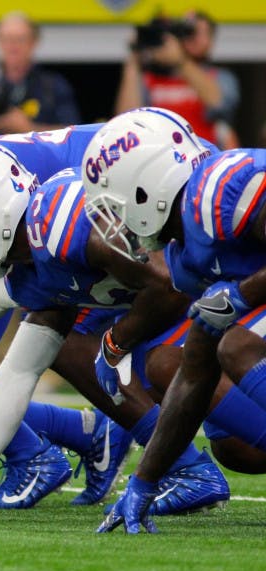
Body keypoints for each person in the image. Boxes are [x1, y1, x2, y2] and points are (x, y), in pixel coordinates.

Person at [0, 131, 228, 523]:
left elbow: (169, 286)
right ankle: (182, 470)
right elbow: (19, 369)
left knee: (162, 364)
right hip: (203, 313)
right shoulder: (29, 268)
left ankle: (181, 469)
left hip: (224, 298)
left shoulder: (64, 223)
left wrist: (116, 342)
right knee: (238, 450)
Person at [87, 114, 266, 532]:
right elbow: (194, 376)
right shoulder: (186, 257)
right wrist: (144, 482)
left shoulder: (220, 189)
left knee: (237, 346)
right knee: (235, 444)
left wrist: (243, 296)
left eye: (117, 205)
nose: (116, 223)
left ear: (148, 186)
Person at [114, 10, 239, 149]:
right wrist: (134, 61)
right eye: (191, 32)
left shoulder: (220, 77)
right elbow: (125, 120)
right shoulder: (149, 79)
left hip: (204, 159)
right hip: (162, 158)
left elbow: (219, 104)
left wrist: (181, 61)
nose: (196, 39)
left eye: (202, 33)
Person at [0, 11, 80, 144]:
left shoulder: (53, 86)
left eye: (20, 39)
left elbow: (73, 136)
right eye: (7, 39)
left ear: (34, 42)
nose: (13, 46)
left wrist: (28, 128)